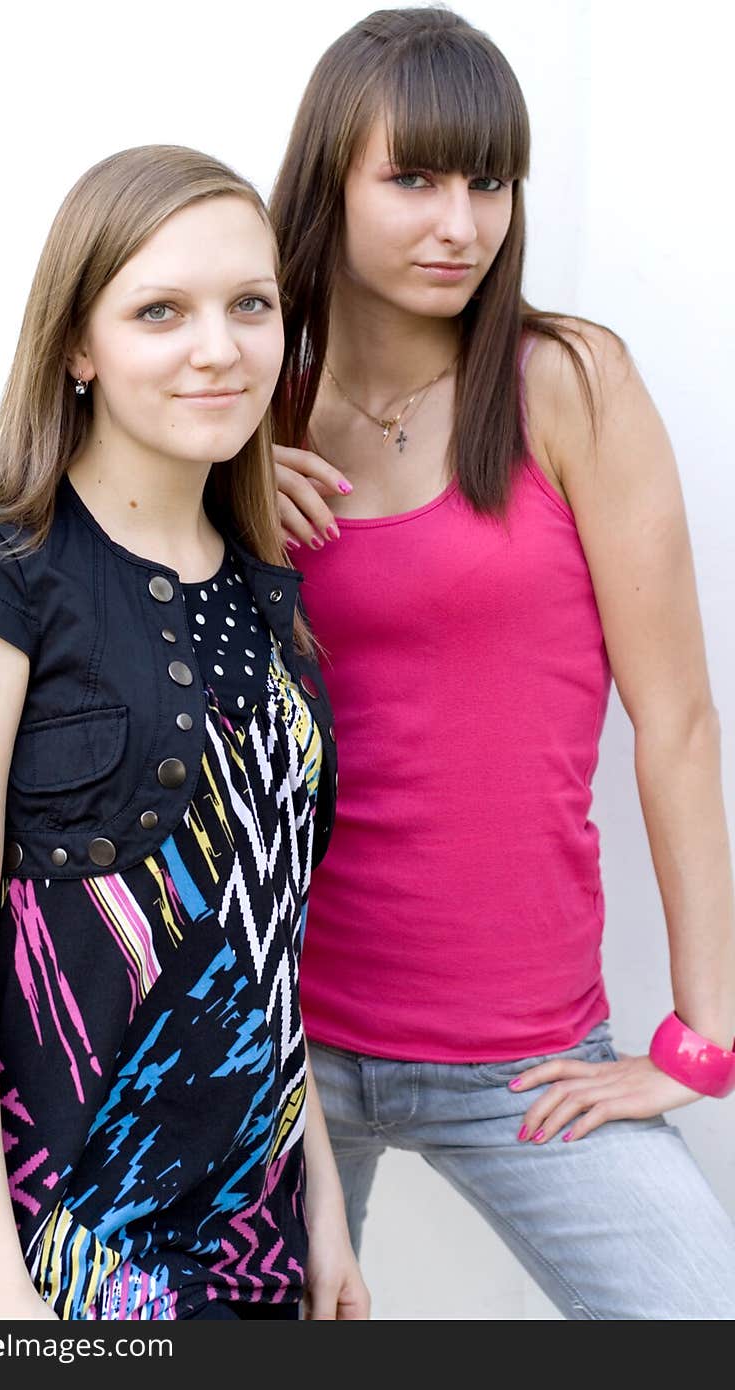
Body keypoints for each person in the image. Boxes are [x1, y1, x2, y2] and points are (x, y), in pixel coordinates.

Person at [268, 6, 735, 1319]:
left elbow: (681, 720)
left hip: (527, 1054)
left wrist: (698, 1041)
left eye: (487, 179)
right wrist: (233, 476)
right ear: (330, 185)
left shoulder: (569, 383)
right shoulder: (255, 405)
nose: (459, 221)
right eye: (411, 176)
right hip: (283, 1051)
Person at [0, 145, 368, 1322]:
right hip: (71, 1238)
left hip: (257, 1229)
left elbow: (267, 931)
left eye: (250, 305)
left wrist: (322, 1203)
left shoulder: (266, 597)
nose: (219, 346)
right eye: (161, 311)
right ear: (79, 348)